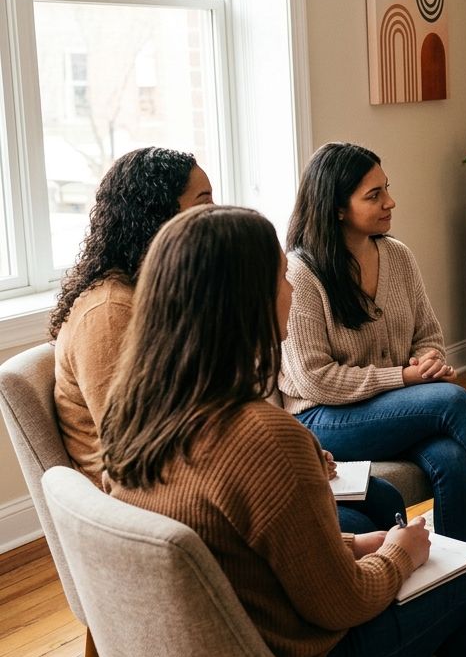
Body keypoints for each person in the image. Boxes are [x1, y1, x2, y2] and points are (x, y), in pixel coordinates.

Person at [102, 205, 466, 657]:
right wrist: (401, 553)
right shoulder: (264, 437)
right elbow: (345, 604)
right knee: (463, 583)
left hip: (223, 654)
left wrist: (356, 543)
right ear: (246, 302)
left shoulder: (133, 412)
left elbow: (238, 548)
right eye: (280, 277)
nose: (292, 290)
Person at [48, 147, 404, 535]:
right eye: (204, 202)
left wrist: (290, 453)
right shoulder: (108, 312)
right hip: (155, 508)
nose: (215, 211)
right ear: (157, 214)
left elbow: (207, 409)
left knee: (382, 498)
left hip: (202, 471)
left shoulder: (164, 293)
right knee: (354, 521)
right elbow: (136, 449)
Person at [279, 141, 466, 554]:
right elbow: (314, 379)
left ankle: (464, 586)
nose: (391, 201)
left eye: (386, 188)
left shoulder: (397, 255)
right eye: (374, 195)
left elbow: (427, 334)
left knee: (454, 460)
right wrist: (405, 376)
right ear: (337, 208)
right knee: (451, 401)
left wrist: (431, 359)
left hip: (395, 409)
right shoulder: (302, 272)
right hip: (323, 418)